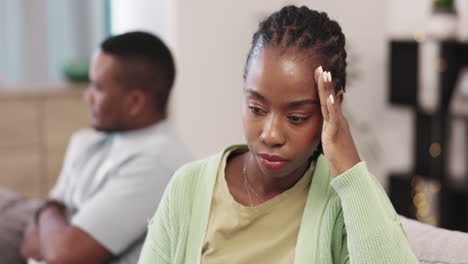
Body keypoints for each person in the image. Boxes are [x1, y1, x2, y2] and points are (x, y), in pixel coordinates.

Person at [137, 6, 418, 264]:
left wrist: (349, 169)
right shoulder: (189, 186)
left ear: (331, 107)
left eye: (296, 118)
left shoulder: (344, 200)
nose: (271, 135)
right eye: (256, 108)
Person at [17, 31, 191, 264]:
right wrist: (51, 216)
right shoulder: (95, 141)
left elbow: (64, 255)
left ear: (135, 102)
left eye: (98, 88)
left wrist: (47, 211)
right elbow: (29, 243)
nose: (87, 97)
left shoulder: (157, 164)